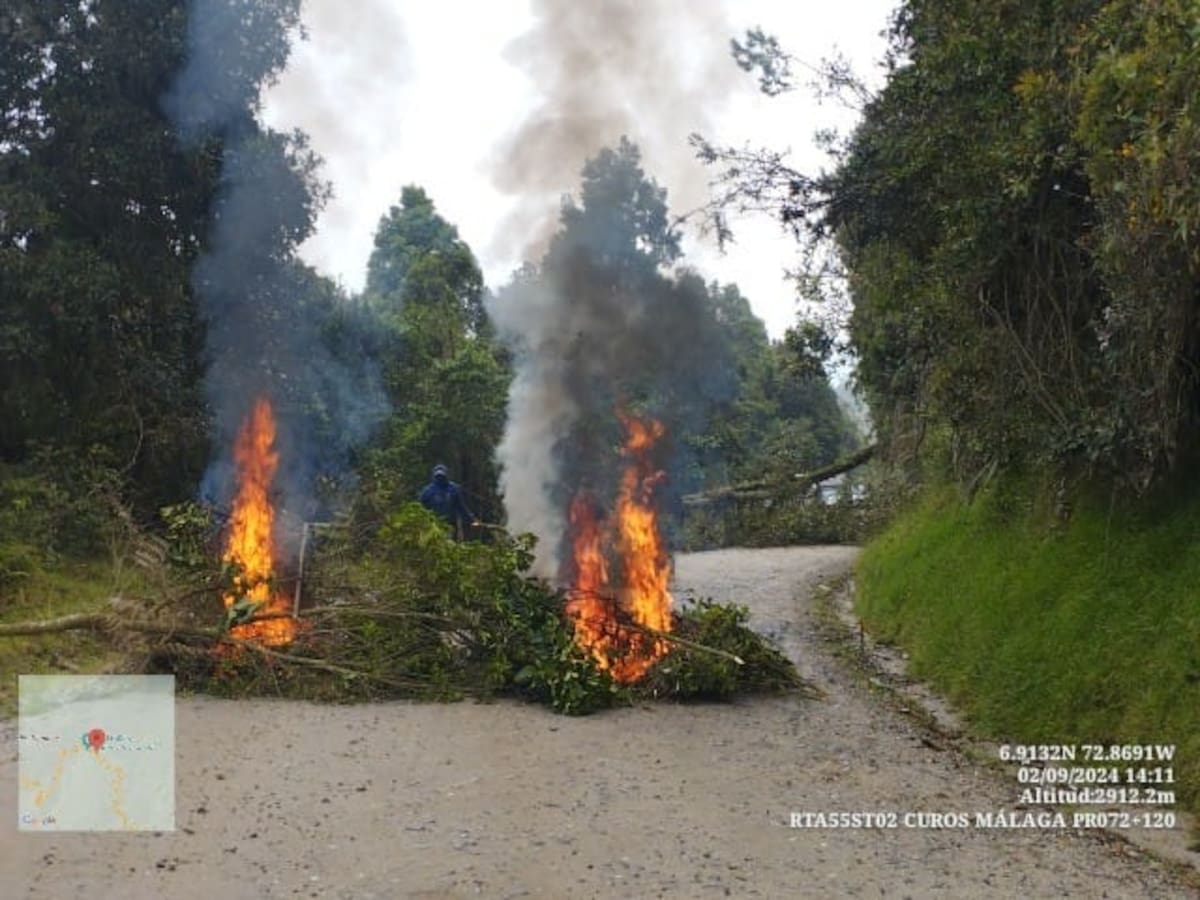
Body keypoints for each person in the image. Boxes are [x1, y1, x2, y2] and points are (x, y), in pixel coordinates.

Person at [418, 463, 477, 539]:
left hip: (450, 524)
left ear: (446, 476)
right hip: (434, 525)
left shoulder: (453, 489)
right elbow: (421, 508)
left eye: (442, 476)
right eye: (438, 476)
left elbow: (461, 507)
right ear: (434, 476)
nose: (440, 479)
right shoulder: (427, 491)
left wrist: (470, 519)